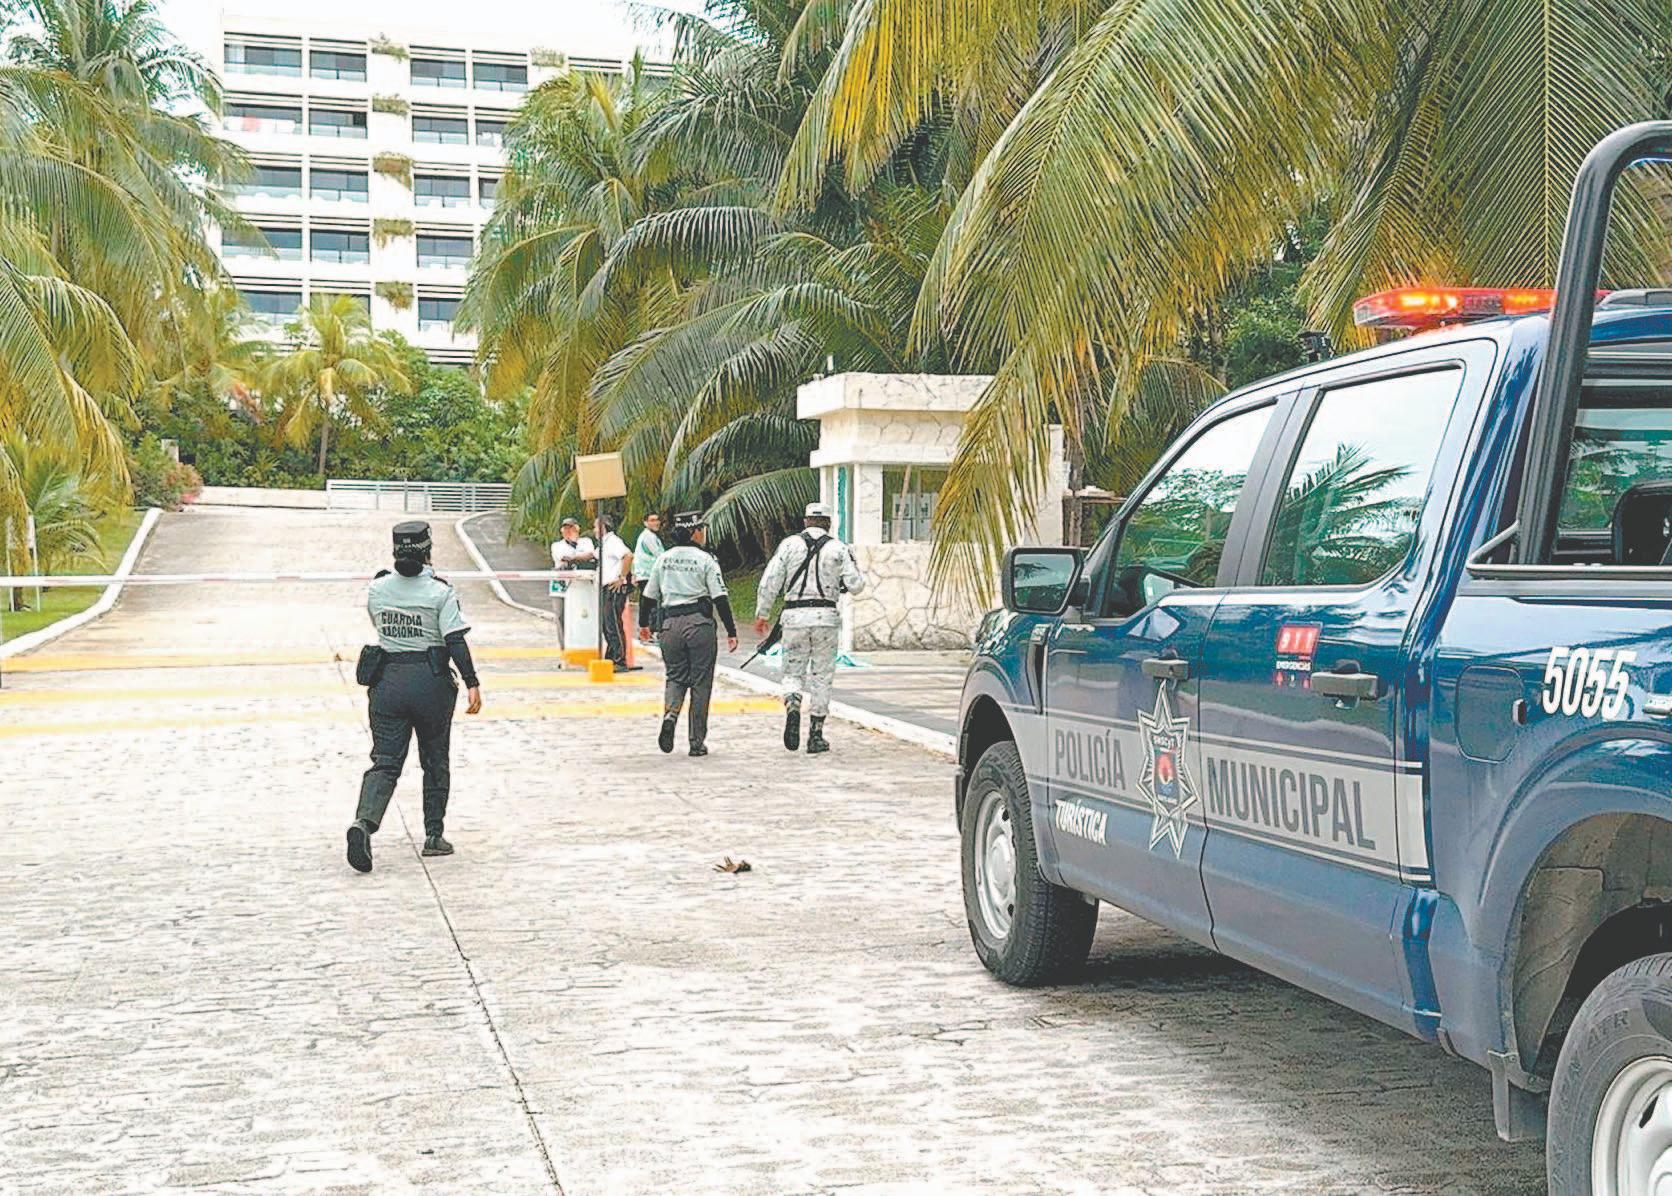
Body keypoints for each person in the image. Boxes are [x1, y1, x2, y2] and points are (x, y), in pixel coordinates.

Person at [347, 521, 483, 874]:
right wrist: (472, 681)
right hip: (430, 683)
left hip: (387, 682)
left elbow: (379, 625)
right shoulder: (440, 592)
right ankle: (434, 836)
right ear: (427, 552)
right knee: (435, 759)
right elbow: (454, 639)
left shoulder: (377, 589)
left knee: (385, 762)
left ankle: (364, 823)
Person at [754, 501, 867, 754]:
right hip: (826, 618)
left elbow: (770, 581)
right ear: (828, 523)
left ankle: (793, 704)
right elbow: (856, 585)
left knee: (792, 673)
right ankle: (816, 735)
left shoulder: (789, 545)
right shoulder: (839, 548)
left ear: (805, 521)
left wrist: (762, 614)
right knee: (821, 676)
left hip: (794, 618)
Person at [638, 510, 737, 757]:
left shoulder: (664, 559)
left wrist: (643, 624)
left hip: (669, 625)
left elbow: (648, 596)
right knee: (701, 683)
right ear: (694, 532)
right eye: (701, 530)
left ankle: (671, 715)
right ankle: (696, 742)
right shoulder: (706, 560)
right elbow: (720, 597)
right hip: (699, 625)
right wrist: (731, 631)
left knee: (675, 676)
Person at [595, 514, 634, 669]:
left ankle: (619, 659)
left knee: (613, 624)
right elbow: (592, 554)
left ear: (603, 527)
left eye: (596, 527)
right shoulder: (604, 543)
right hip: (605, 587)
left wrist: (621, 578)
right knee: (606, 624)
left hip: (613, 587)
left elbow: (628, 556)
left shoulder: (613, 542)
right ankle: (612, 656)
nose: (594, 530)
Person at [631, 512, 664, 603]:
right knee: (649, 604)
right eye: (652, 520)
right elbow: (659, 555)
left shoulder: (649, 536)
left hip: (645, 575)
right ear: (645, 523)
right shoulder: (648, 536)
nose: (656, 523)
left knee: (647, 603)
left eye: (657, 520)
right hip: (648, 575)